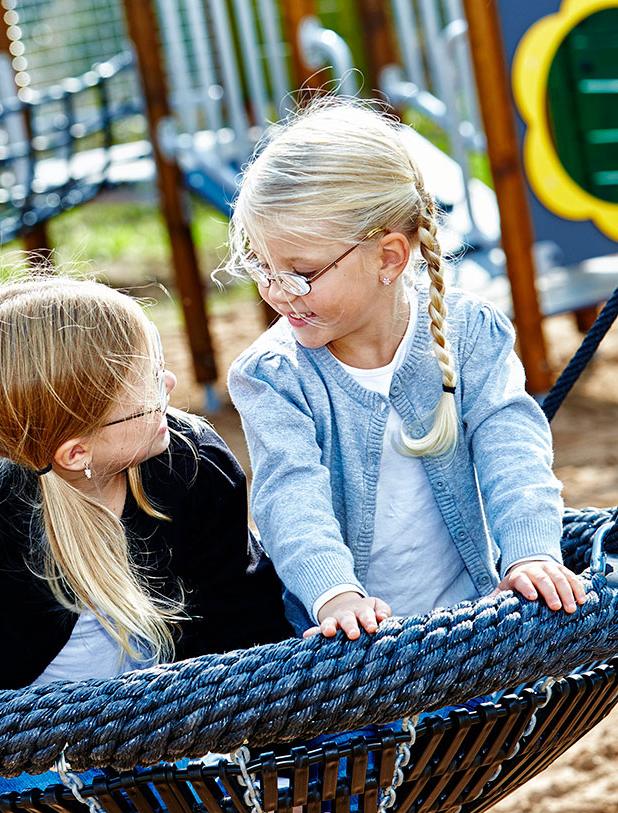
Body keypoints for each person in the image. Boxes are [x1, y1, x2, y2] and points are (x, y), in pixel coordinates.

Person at [0, 274, 290, 707]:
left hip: (160, 714)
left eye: (159, 366)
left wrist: (257, 707)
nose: (168, 384)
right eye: (148, 384)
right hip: (9, 733)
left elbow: (239, 599)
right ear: (75, 453)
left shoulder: (192, 466)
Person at [226, 98, 586, 644]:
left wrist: (530, 552)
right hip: (353, 642)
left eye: (299, 273)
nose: (276, 292)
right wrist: (335, 595)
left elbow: (512, 448)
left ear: (389, 259)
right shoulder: (275, 376)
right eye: (261, 266)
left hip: (476, 618)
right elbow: (290, 496)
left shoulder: (469, 334)